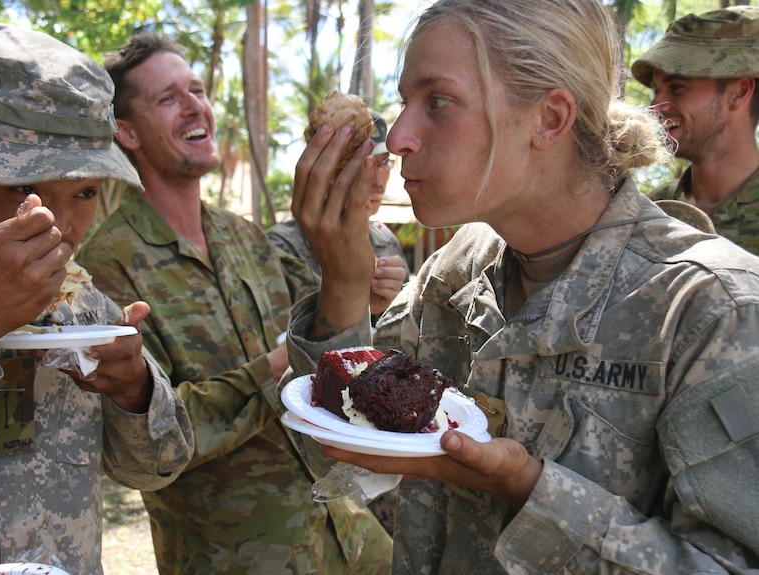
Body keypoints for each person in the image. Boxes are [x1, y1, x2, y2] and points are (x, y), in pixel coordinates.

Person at [284, 0, 759, 573]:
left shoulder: (711, 308)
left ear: (550, 118)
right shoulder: (453, 274)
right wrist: (343, 283)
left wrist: (528, 488)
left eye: (437, 101)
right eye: (405, 102)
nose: (401, 136)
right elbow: (336, 455)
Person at [75, 33, 393, 574]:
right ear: (125, 131)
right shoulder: (106, 266)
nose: (196, 105)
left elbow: (326, 333)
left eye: (196, 90)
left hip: (349, 537)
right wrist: (274, 369)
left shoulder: (245, 237)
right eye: (168, 98)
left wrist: (366, 290)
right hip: (239, 556)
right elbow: (146, 439)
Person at [0, 21, 193, 575]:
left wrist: (133, 390)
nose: (56, 225)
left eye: (83, 192)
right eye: (20, 187)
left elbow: (160, 467)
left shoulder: (80, 302)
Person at [632, 6, 759, 254]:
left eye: (677, 87)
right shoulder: (649, 211)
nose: (655, 106)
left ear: (739, 93)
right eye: (655, 90)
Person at [268, 111, 410, 320]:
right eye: (364, 163)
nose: (378, 179)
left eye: (383, 162)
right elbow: (278, 343)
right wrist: (348, 300)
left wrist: (394, 305)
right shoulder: (280, 248)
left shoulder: (384, 239)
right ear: (325, 167)